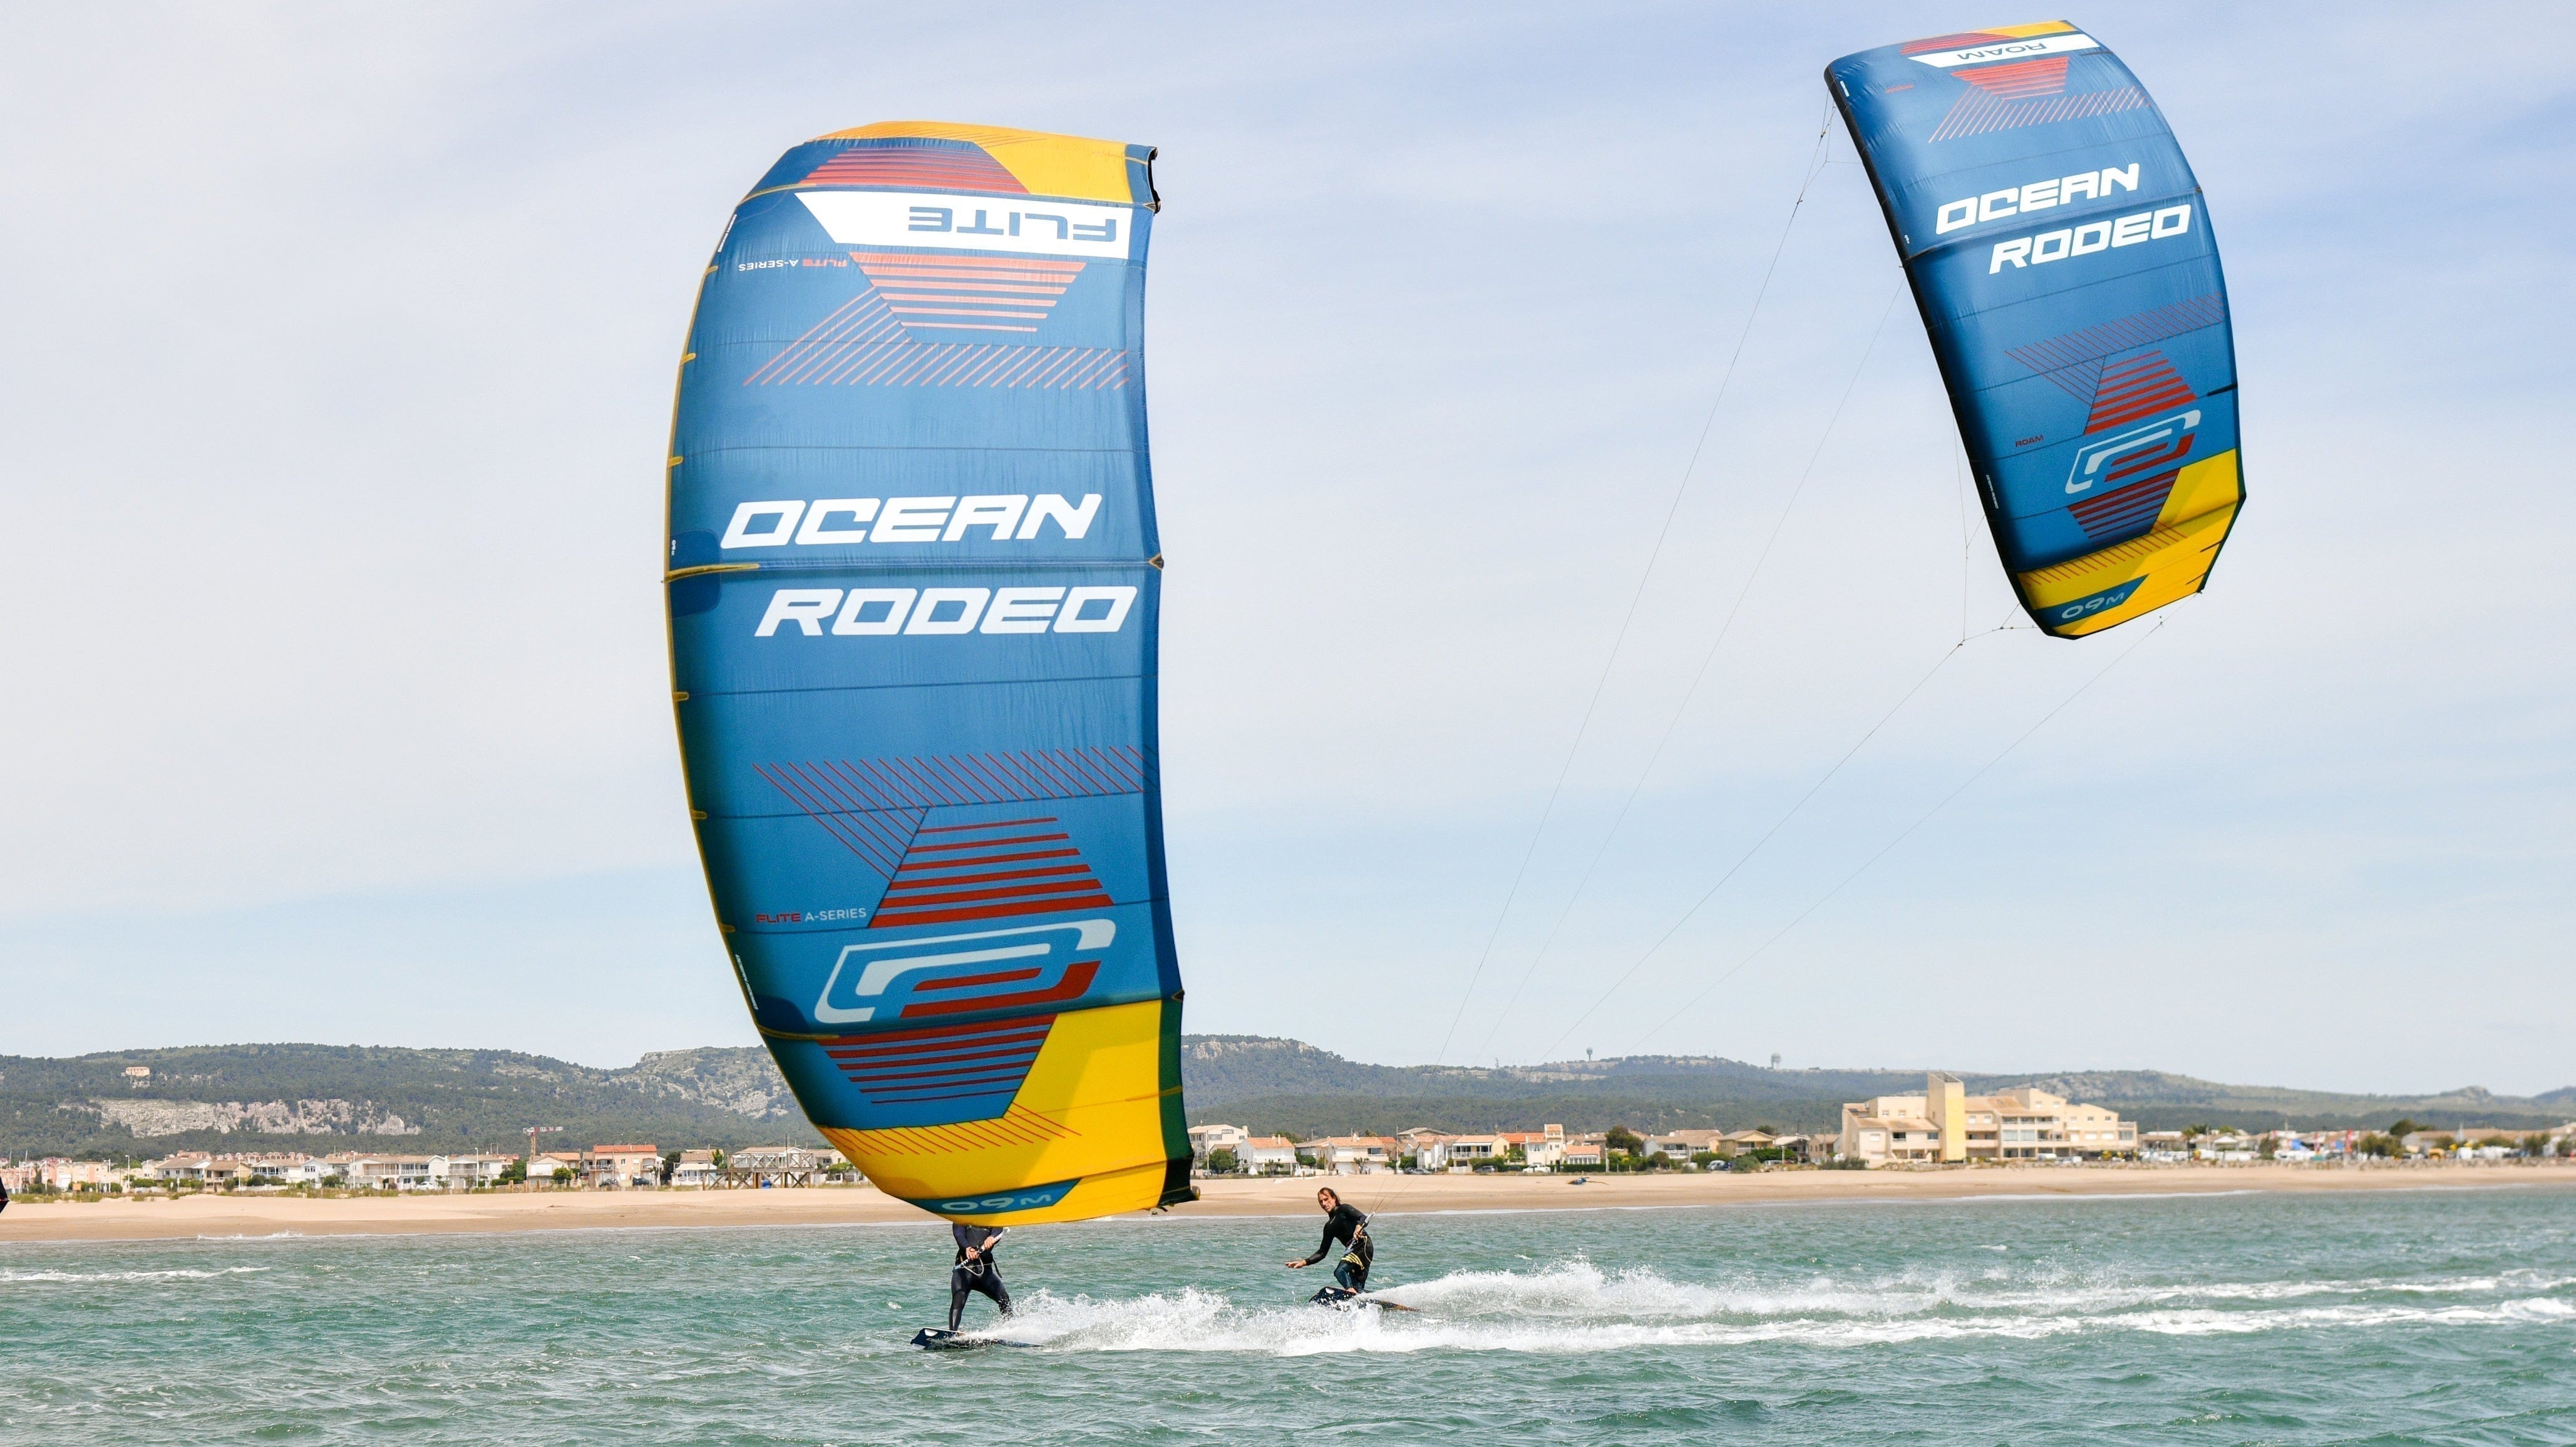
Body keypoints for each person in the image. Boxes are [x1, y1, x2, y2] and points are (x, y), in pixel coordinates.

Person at [1284, 1186, 1372, 1292]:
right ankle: (1372, 1300)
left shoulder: (1344, 1209)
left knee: (1340, 1272)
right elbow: (1322, 1252)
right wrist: (1303, 1262)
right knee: (1358, 1288)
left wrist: (1358, 1226)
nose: (1324, 1204)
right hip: (1354, 1250)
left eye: (1326, 1200)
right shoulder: (1329, 1227)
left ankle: (1351, 1292)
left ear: (1334, 1198)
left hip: (1363, 1246)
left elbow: (1363, 1218)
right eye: (1321, 1202)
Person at [947, 1222, 1012, 1332]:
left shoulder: (993, 1220)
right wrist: (968, 1248)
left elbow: (998, 1230)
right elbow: (959, 1235)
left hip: (984, 1273)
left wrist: (992, 1237)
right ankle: (952, 1333)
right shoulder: (961, 1217)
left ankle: (1010, 1329)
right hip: (964, 1271)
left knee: (1004, 1298)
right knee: (958, 1299)